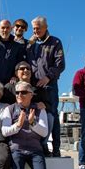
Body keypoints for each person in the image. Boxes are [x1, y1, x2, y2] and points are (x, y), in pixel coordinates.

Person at [1, 81, 55, 169]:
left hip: (35, 150)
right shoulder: (9, 109)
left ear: (31, 94)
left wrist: (32, 123)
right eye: (17, 92)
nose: (19, 95)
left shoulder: (39, 109)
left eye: (23, 92)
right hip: (16, 149)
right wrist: (18, 125)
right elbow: (5, 131)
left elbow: (44, 132)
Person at [26, 16, 65, 157]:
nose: (35, 31)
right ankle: (40, 146)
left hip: (50, 86)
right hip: (33, 87)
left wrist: (48, 77)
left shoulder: (55, 42)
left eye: (38, 28)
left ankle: (56, 149)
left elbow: (60, 64)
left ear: (45, 27)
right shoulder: (30, 44)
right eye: (34, 28)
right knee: (34, 115)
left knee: (52, 116)